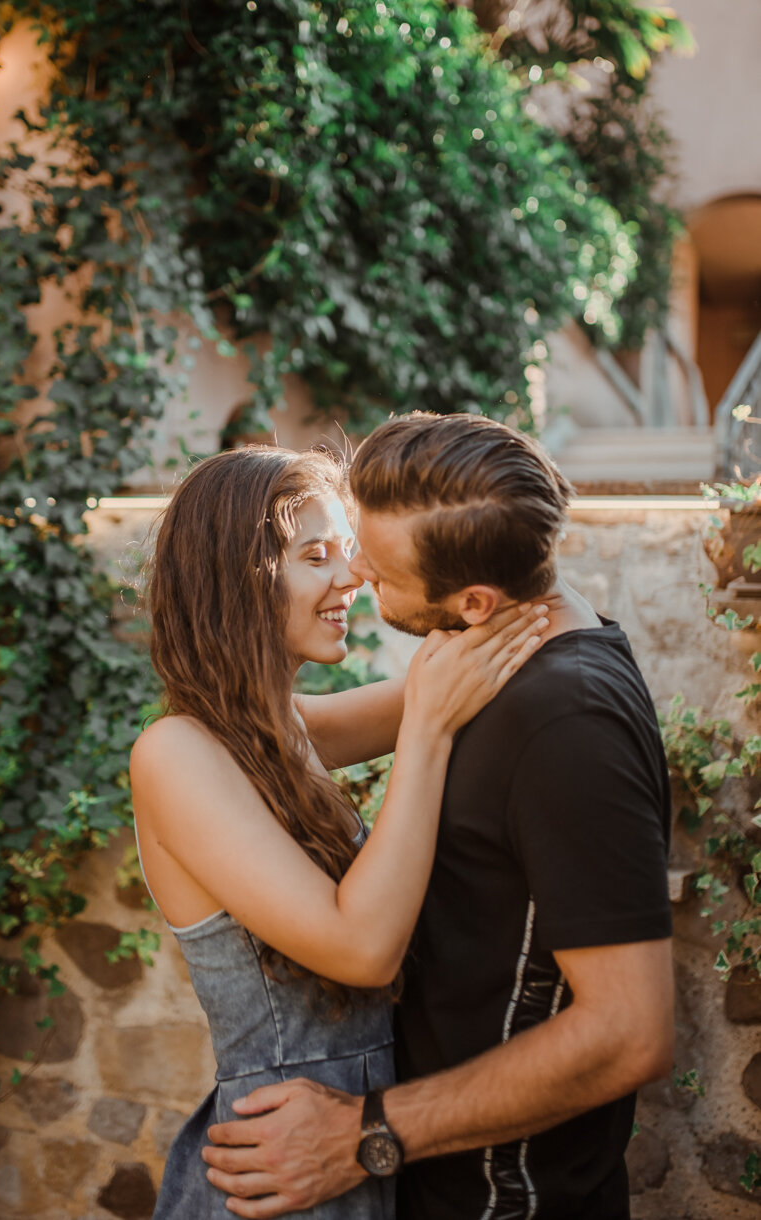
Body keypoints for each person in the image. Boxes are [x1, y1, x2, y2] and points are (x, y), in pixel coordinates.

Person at [202, 413, 676, 1220]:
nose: (357, 576)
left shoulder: (565, 723)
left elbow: (631, 1032)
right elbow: (290, 730)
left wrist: (364, 1134)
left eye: (378, 572)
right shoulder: (510, 640)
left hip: (505, 1200)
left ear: (474, 598)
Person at [129, 444, 546, 1219]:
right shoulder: (177, 754)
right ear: (239, 577)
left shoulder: (279, 731)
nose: (351, 578)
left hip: (350, 1149)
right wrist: (426, 735)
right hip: (277, 1169)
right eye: (316, 556)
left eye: (346, 553)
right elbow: (362, 949)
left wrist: (528, 592)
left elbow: (455, 669)